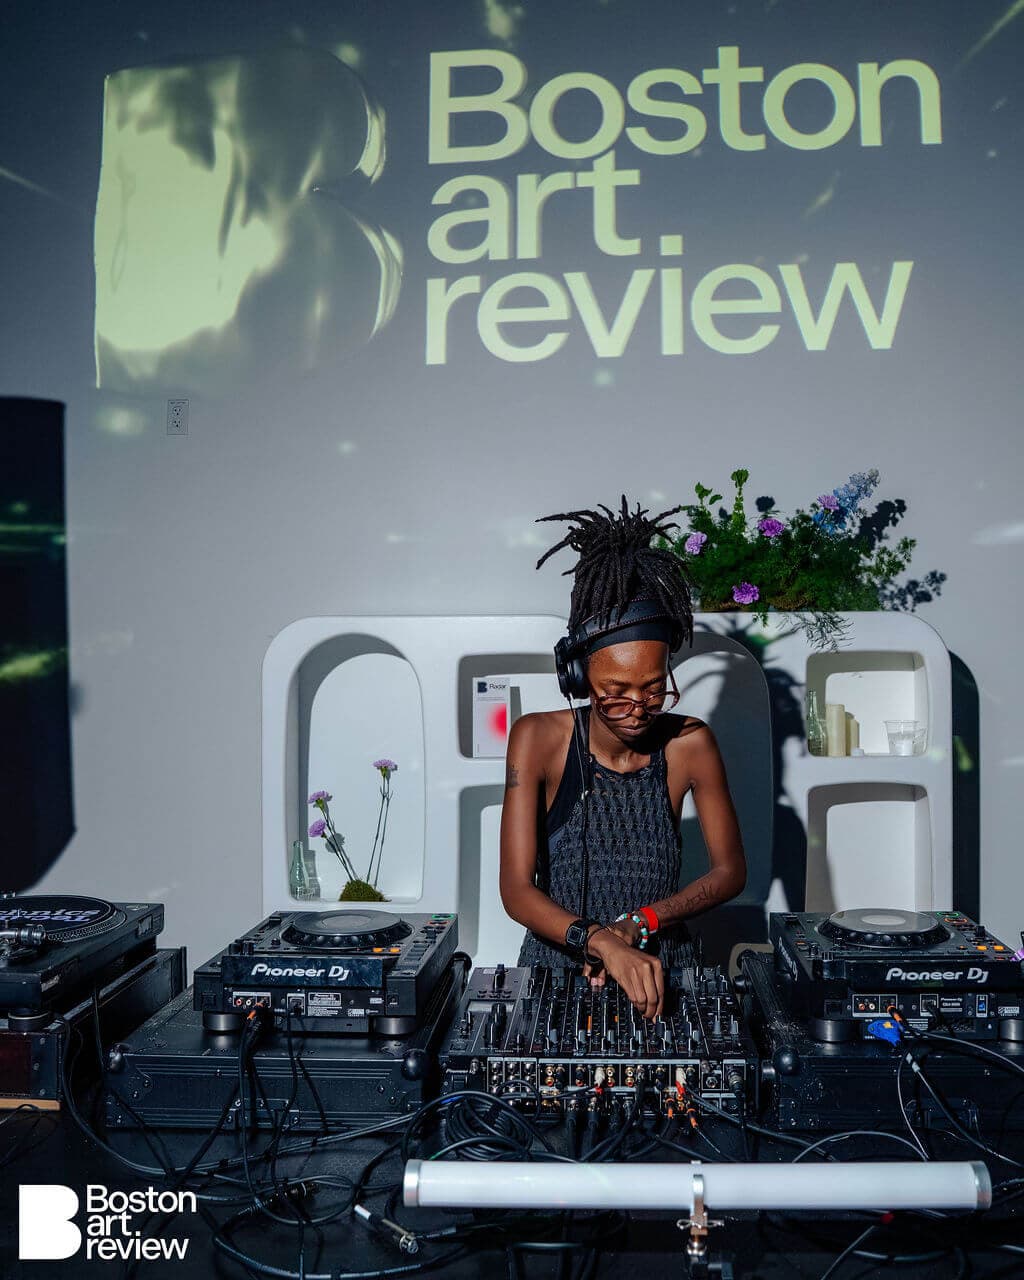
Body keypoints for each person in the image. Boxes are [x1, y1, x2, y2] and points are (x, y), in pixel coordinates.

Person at [499, 498, 746, 1020]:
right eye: (615, 691)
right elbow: (516, 890)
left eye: (653, 689)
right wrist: (601, 941)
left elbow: (730, 872)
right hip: (556, 974)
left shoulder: (691, 743)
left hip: (664, 973)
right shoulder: (535, 738)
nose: (637, 709)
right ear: (577, 677)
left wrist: (641, 922)